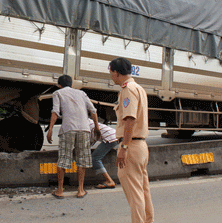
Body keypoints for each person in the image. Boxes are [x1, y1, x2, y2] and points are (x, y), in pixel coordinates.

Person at [109, 57, 154, 223]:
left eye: (111, 72)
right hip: (140, 146)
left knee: (135, 194)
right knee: (143, 191)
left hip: (132, 146)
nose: (110, 75)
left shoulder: (127, 89)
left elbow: (130, 119)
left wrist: (124, 147)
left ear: (116, 72)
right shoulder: (139, 88)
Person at [46, 74, 101, 199]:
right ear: (71, 84)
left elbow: (55, 111)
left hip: (68, 129)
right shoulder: (81, 93)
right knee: (82, 159)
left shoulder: (58, 93)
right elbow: (93, 110)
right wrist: (96, 128)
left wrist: (50, 129)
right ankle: (80, 190)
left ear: (59, 85)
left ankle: (60, 191)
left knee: (63, 159)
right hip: (84, 129)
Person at [89, 118, 119, 189]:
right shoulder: (89, 122)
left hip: (110, 138)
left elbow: (90, 140)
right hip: (113, 136)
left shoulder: (85, 124)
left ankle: (109, 181)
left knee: (95, 158)